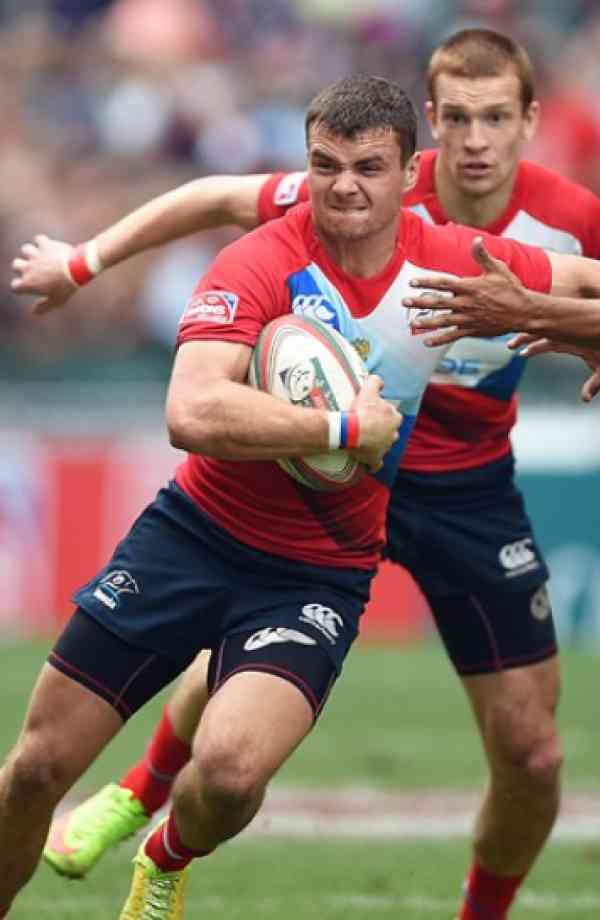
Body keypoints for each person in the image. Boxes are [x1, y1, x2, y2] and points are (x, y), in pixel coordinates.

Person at [11, 38, 600, 919]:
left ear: (525, 123)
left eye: (493, 118)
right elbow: (194, 377)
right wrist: (83, 262)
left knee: (519, 749)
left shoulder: (498, 243)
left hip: (416, 513)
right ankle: (137, 793)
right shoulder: (294, 230)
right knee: (49, 760)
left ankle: (171, 843)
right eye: (456, 117)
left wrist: (544, 315)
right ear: (432, 130)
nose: (474, 139)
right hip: (241, 510)